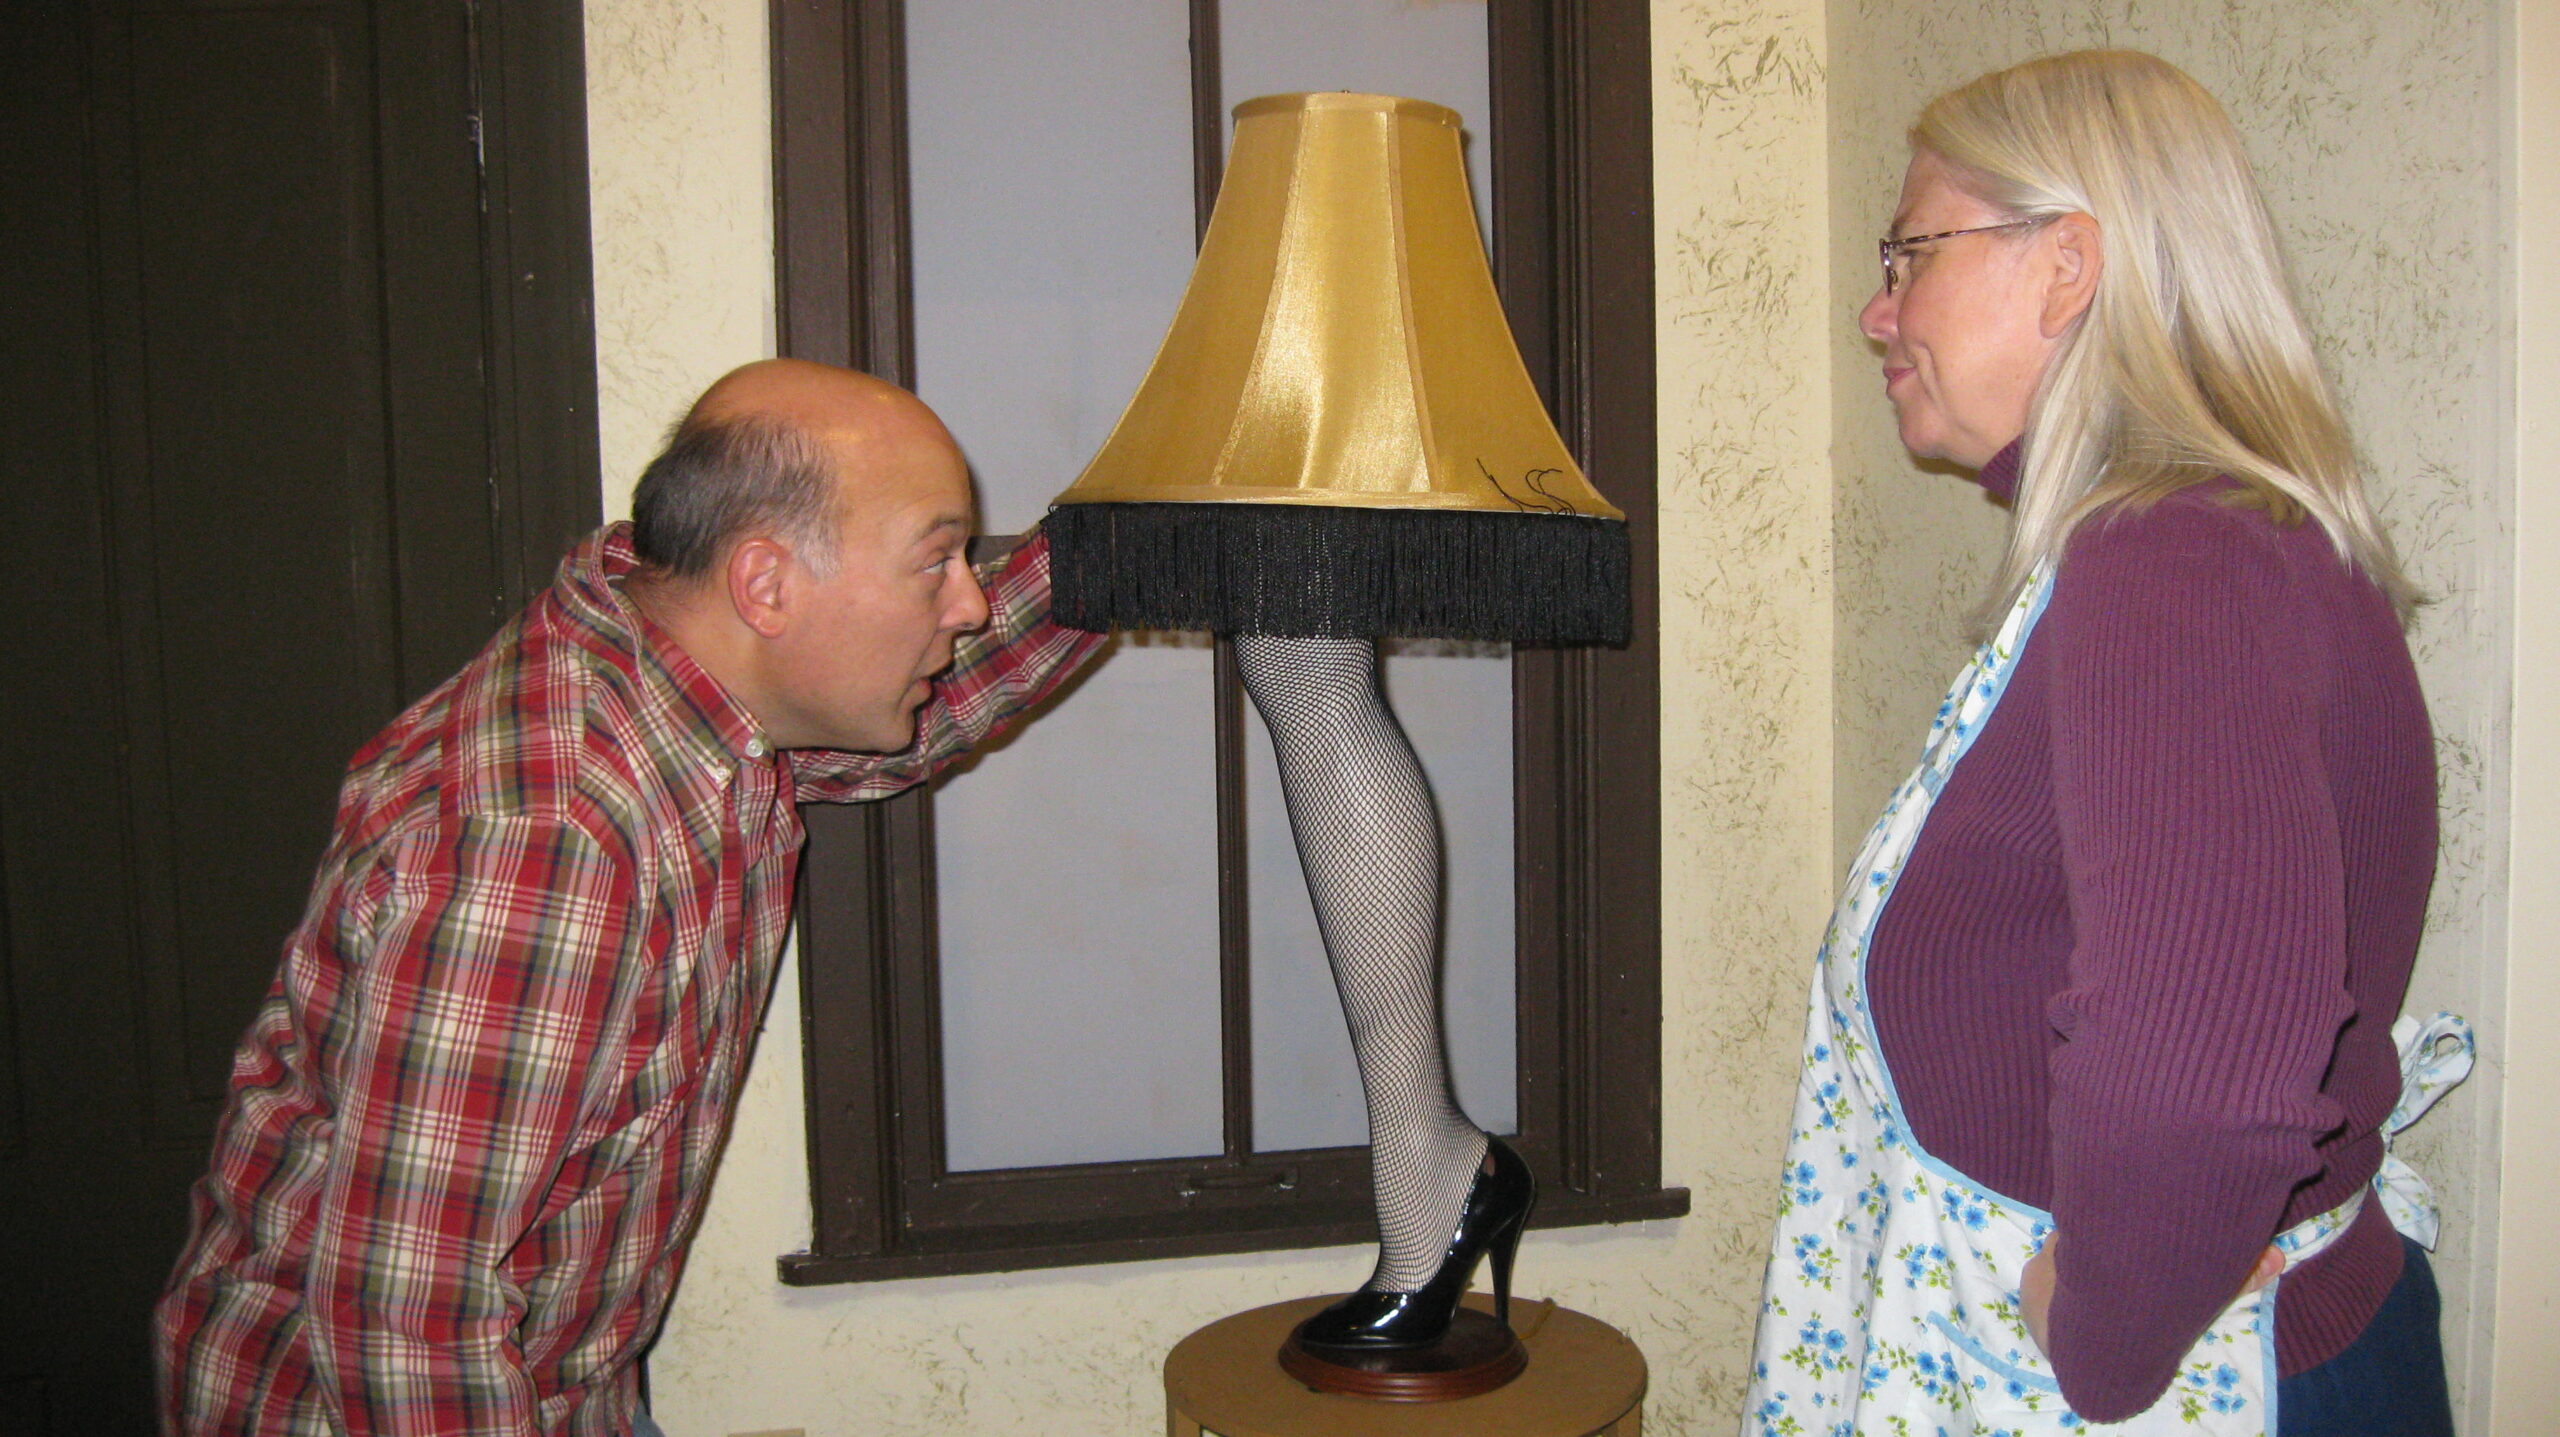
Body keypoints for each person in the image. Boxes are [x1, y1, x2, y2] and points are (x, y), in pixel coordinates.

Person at [154, 360, 1104, 1435]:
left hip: (565, 1389)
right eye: (936, 562)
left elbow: (906, 725)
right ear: (766, 585)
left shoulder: (682, 687)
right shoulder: (548, 843)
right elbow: (410, 1327)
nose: (969, 604)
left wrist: (1120, 554)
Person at [1744, 51, 2466, 1437]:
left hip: (2192, 1385)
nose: (1877, 308)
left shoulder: (2178, 558)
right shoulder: (2169, 549)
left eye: (1910, 254)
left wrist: (2101, 1328)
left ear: (2067, 266)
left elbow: (2203, 1076)